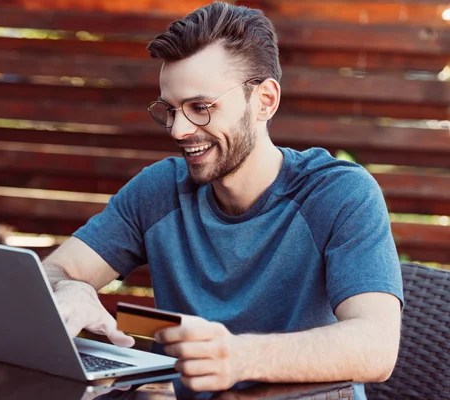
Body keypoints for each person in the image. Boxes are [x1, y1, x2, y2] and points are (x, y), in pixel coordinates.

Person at [42, 2, 403, 398]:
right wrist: (70, 287)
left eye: (200, 108)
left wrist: (238, 357)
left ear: (264, 100)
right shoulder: (159, 189)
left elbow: (376, 346)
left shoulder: (338, 194)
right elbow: (54, 271)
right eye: (170, 110)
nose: (179, 130)